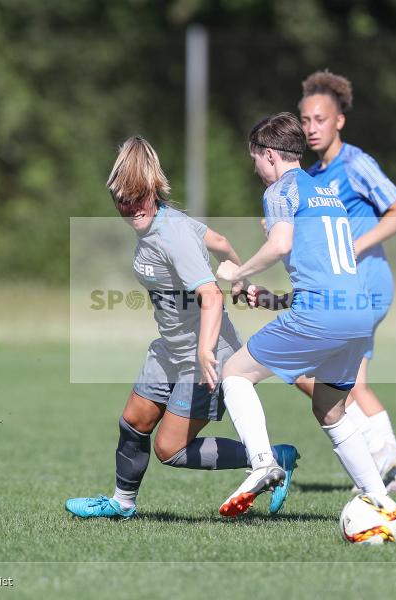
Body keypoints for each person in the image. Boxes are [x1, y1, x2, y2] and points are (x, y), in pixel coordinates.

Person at [65, 137, 298, 519]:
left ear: (153, 191)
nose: (132, 208)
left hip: (205, 356)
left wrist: (207, 347)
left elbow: (211, 297)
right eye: (123, 199)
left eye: (139, 197)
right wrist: (238, 276)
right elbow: (220, 240)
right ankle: (121, 505)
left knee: (170, 450)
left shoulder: (170, 233)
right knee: (133, 422)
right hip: (170, 349)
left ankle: (273, 458)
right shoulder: (167, 222)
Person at [215, 113, 393, 517]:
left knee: (235, 373)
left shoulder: (281, 189)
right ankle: (381, 499)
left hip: (324, 313)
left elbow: (279, 245)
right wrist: (275, 301)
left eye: (256, 159)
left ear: (271, 155)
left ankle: (262, 462)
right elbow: (328, 269)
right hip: (357, 313)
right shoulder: (326, 192)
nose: (256, 168)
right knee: (331, 410)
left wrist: (237, 273)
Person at [297, 70, 396, 494]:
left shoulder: (356, 164)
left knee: (310, 372)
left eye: (320, 119)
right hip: (342, 290)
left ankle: (381, 460)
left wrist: (357, 244)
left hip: (365, 285)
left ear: (339, 121)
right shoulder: (314, 174)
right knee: (340, 382)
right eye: (306, 120)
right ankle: (395, 471)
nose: (312, 128)